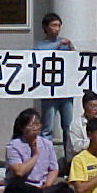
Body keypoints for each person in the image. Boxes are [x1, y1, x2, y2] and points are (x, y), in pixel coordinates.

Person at [1, 109, 74, 193]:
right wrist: (35, 155)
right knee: (14, 187)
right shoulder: (13, 146)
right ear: (22, 127)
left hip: (42, 186)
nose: (35, 128)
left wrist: (48, 184)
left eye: (37, 124)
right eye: (31, 125)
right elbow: (19, 172)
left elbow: (53, 169)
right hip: (24, 188)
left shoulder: (46, 144)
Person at [35, 13, 74, 157]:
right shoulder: (40, 46)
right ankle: (46, 158)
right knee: (47, 127)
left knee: (68, 127)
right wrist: (58, 46)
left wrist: (70, 46)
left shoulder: (65, 44)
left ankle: (69, 158)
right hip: (49, 91)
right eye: (53, 25)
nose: (57, 29)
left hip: (65, 90)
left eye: (59, 25)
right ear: (45, 27)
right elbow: (37, 61)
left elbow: (75, 60)